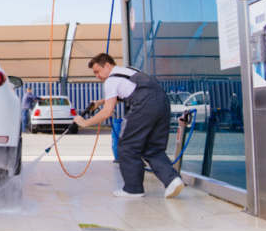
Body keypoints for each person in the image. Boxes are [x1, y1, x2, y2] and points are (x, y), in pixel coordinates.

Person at [73, 53, 184, 199]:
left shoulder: (110, 81)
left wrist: (84, 123)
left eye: (97, 71)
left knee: (127, 146)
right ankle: (172, 180)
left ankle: (133, 189)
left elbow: (107, 112)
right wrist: (101, 102)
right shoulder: (128, 70)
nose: (97, 76)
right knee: (153, 148)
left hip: (143, 105)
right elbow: (130, 90)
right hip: (162, 101)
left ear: (107, 65)